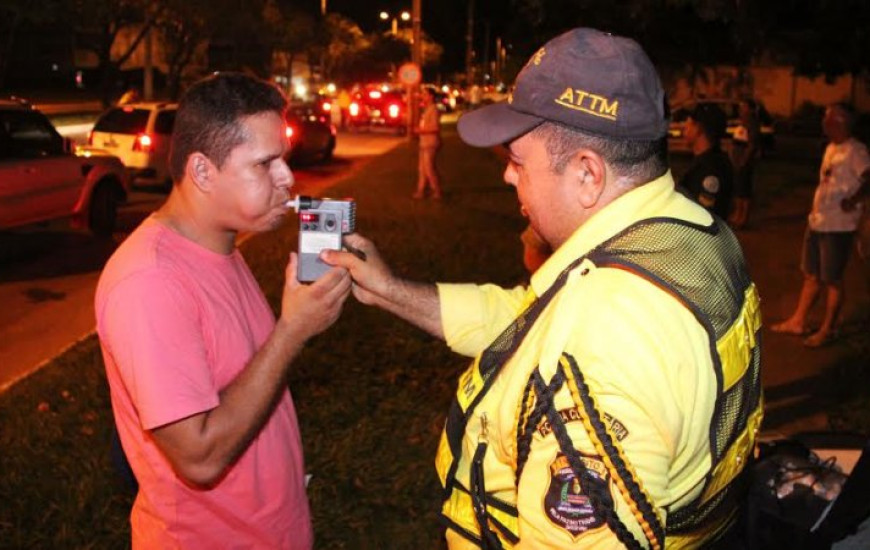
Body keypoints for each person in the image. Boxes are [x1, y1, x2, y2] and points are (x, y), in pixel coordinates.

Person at [324, 28, 762, 549]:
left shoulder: (602, 345)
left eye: (517, 161)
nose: (509, 179)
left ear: (586, 175)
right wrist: (390, 289)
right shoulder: (686, 232)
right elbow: (529, 320)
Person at [95, 73, 352, 548]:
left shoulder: (221, 248)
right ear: (202, 172)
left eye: (285, 159)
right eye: (265, 164)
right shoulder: (149, 281)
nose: (287, 179)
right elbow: (200, 457)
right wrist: (292, 330)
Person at [772, 102, 870, 347]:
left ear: (841, 122)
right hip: (818, 221)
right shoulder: (830, 148)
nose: (824, 123)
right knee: (811, 274)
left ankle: (828, 328)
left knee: (832, 279)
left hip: (839, 226)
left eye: (828, 119)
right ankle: (798, 321)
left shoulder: (856, 151)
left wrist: (854, 200)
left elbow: (868, 177)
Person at [678, 102, 734, 219]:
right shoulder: (708, 162)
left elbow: (704, 216)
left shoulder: (711, 169)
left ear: (698, 129)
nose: (684, 128)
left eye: (688, 124)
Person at [729, 98, 761, 229]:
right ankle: (737, 214)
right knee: (738, 189)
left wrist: (744, 160)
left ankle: (743, 217)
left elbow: (752, 145)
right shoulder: (742, 123)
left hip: (744, 162)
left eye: (744, 107)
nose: (741, 110)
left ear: (750, 109)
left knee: (744, 190)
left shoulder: (752, 123)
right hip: (737, 162)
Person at [413, 86, 443, 199]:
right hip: (424, 142)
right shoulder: (426, 109)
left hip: (430, 143)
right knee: (422, 169)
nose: (422, 96)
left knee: (429, 168)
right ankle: (420, 191)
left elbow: (435, 127)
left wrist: (420, 130)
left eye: (425, 94)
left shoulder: (433, 109)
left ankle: (436, 191)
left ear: (431, 96)